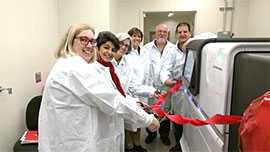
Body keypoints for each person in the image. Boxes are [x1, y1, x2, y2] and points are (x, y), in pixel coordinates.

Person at [38, 24, 160, 152]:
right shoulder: (73, 68)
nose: (89, 45)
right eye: (83, 40)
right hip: (75, 142)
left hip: (83, 136)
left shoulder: (81, 65)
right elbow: (111, 99)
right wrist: (147, 120)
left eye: (92, 41)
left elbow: (114, 93)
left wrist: (135, 103)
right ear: (71, 40)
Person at [143, 23, 177, 146]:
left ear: (168, 34)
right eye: (159, 31)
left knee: (166, 112)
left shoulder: (174, 49)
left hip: (167, 87)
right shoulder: (146, 48)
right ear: (155, 33)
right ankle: (151, 134)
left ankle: (164, 135)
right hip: (151, 86)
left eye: (164, 32)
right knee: (150, 111)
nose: (162, 34)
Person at [161, 22, 192, 152]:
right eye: (180, 32)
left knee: (191, 122)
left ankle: (190, 146)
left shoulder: (197, 49)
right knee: (178, 120)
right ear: (176, 35)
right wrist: (166, 80)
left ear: (190, 33)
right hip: (178, 89)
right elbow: (165, 68)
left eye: (185, 32)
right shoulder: (172, 51)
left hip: (193, 92)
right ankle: (179, 146)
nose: (182, 34)